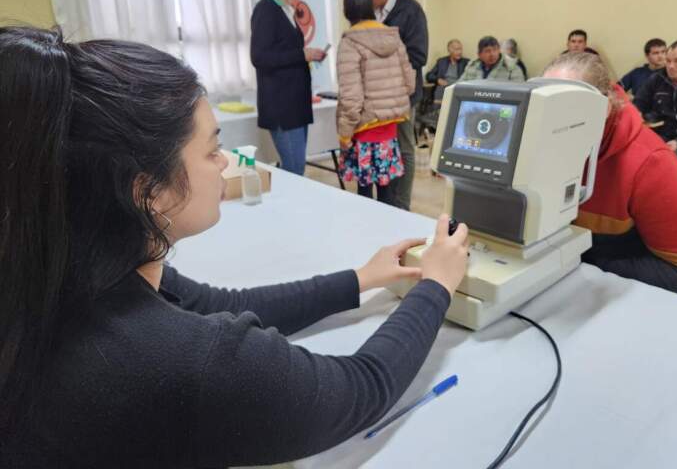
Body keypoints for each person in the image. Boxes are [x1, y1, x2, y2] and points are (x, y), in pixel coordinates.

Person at [0, 25, 470, 467]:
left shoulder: (68, 258)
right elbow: (358, 388)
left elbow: (219, 304)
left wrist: (361, 279)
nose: (224, 162)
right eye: (210, 151)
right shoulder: (183, 362)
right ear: (146, 192)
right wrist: (436, 286)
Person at [543, 52, 677, 295]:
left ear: (604, 108)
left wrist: (582, 266)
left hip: (619, 271)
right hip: (577, 262)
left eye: (565, 109)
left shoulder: (651, 163)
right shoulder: (549, 147)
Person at [356, 0, 428, 211]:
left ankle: (401, 206)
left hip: (402, 95)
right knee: (382, 149)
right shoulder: (370, 12)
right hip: (376, 97)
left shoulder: (410, 11)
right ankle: (385, 206)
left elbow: (419, 57)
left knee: (404, 148)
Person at [336, 0, 416, 205]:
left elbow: (351, 97)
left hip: (364, 129)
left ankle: (369, 235)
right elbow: (410, 82)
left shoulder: (350, 42)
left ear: (347, 12)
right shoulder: (393, 36)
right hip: (389, 130)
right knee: (387, 191)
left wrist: (344, 134)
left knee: (365, 195)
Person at [250, 0, 326, 176]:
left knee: (295, 168)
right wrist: (301, 55)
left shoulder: (285, 10)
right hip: (283, 107)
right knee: (294, 170)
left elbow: (285, 52)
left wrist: (305, 55)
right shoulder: (266, 10)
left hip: (295, 104)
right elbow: (260, 57)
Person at [459, 36, 525, 82]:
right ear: (479, 54)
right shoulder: (472, 66)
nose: (492, 54)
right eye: (487, 51)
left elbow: (519, 92)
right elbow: (458, 87)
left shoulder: (512, 68)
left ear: (499, 50)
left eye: (495, 49)